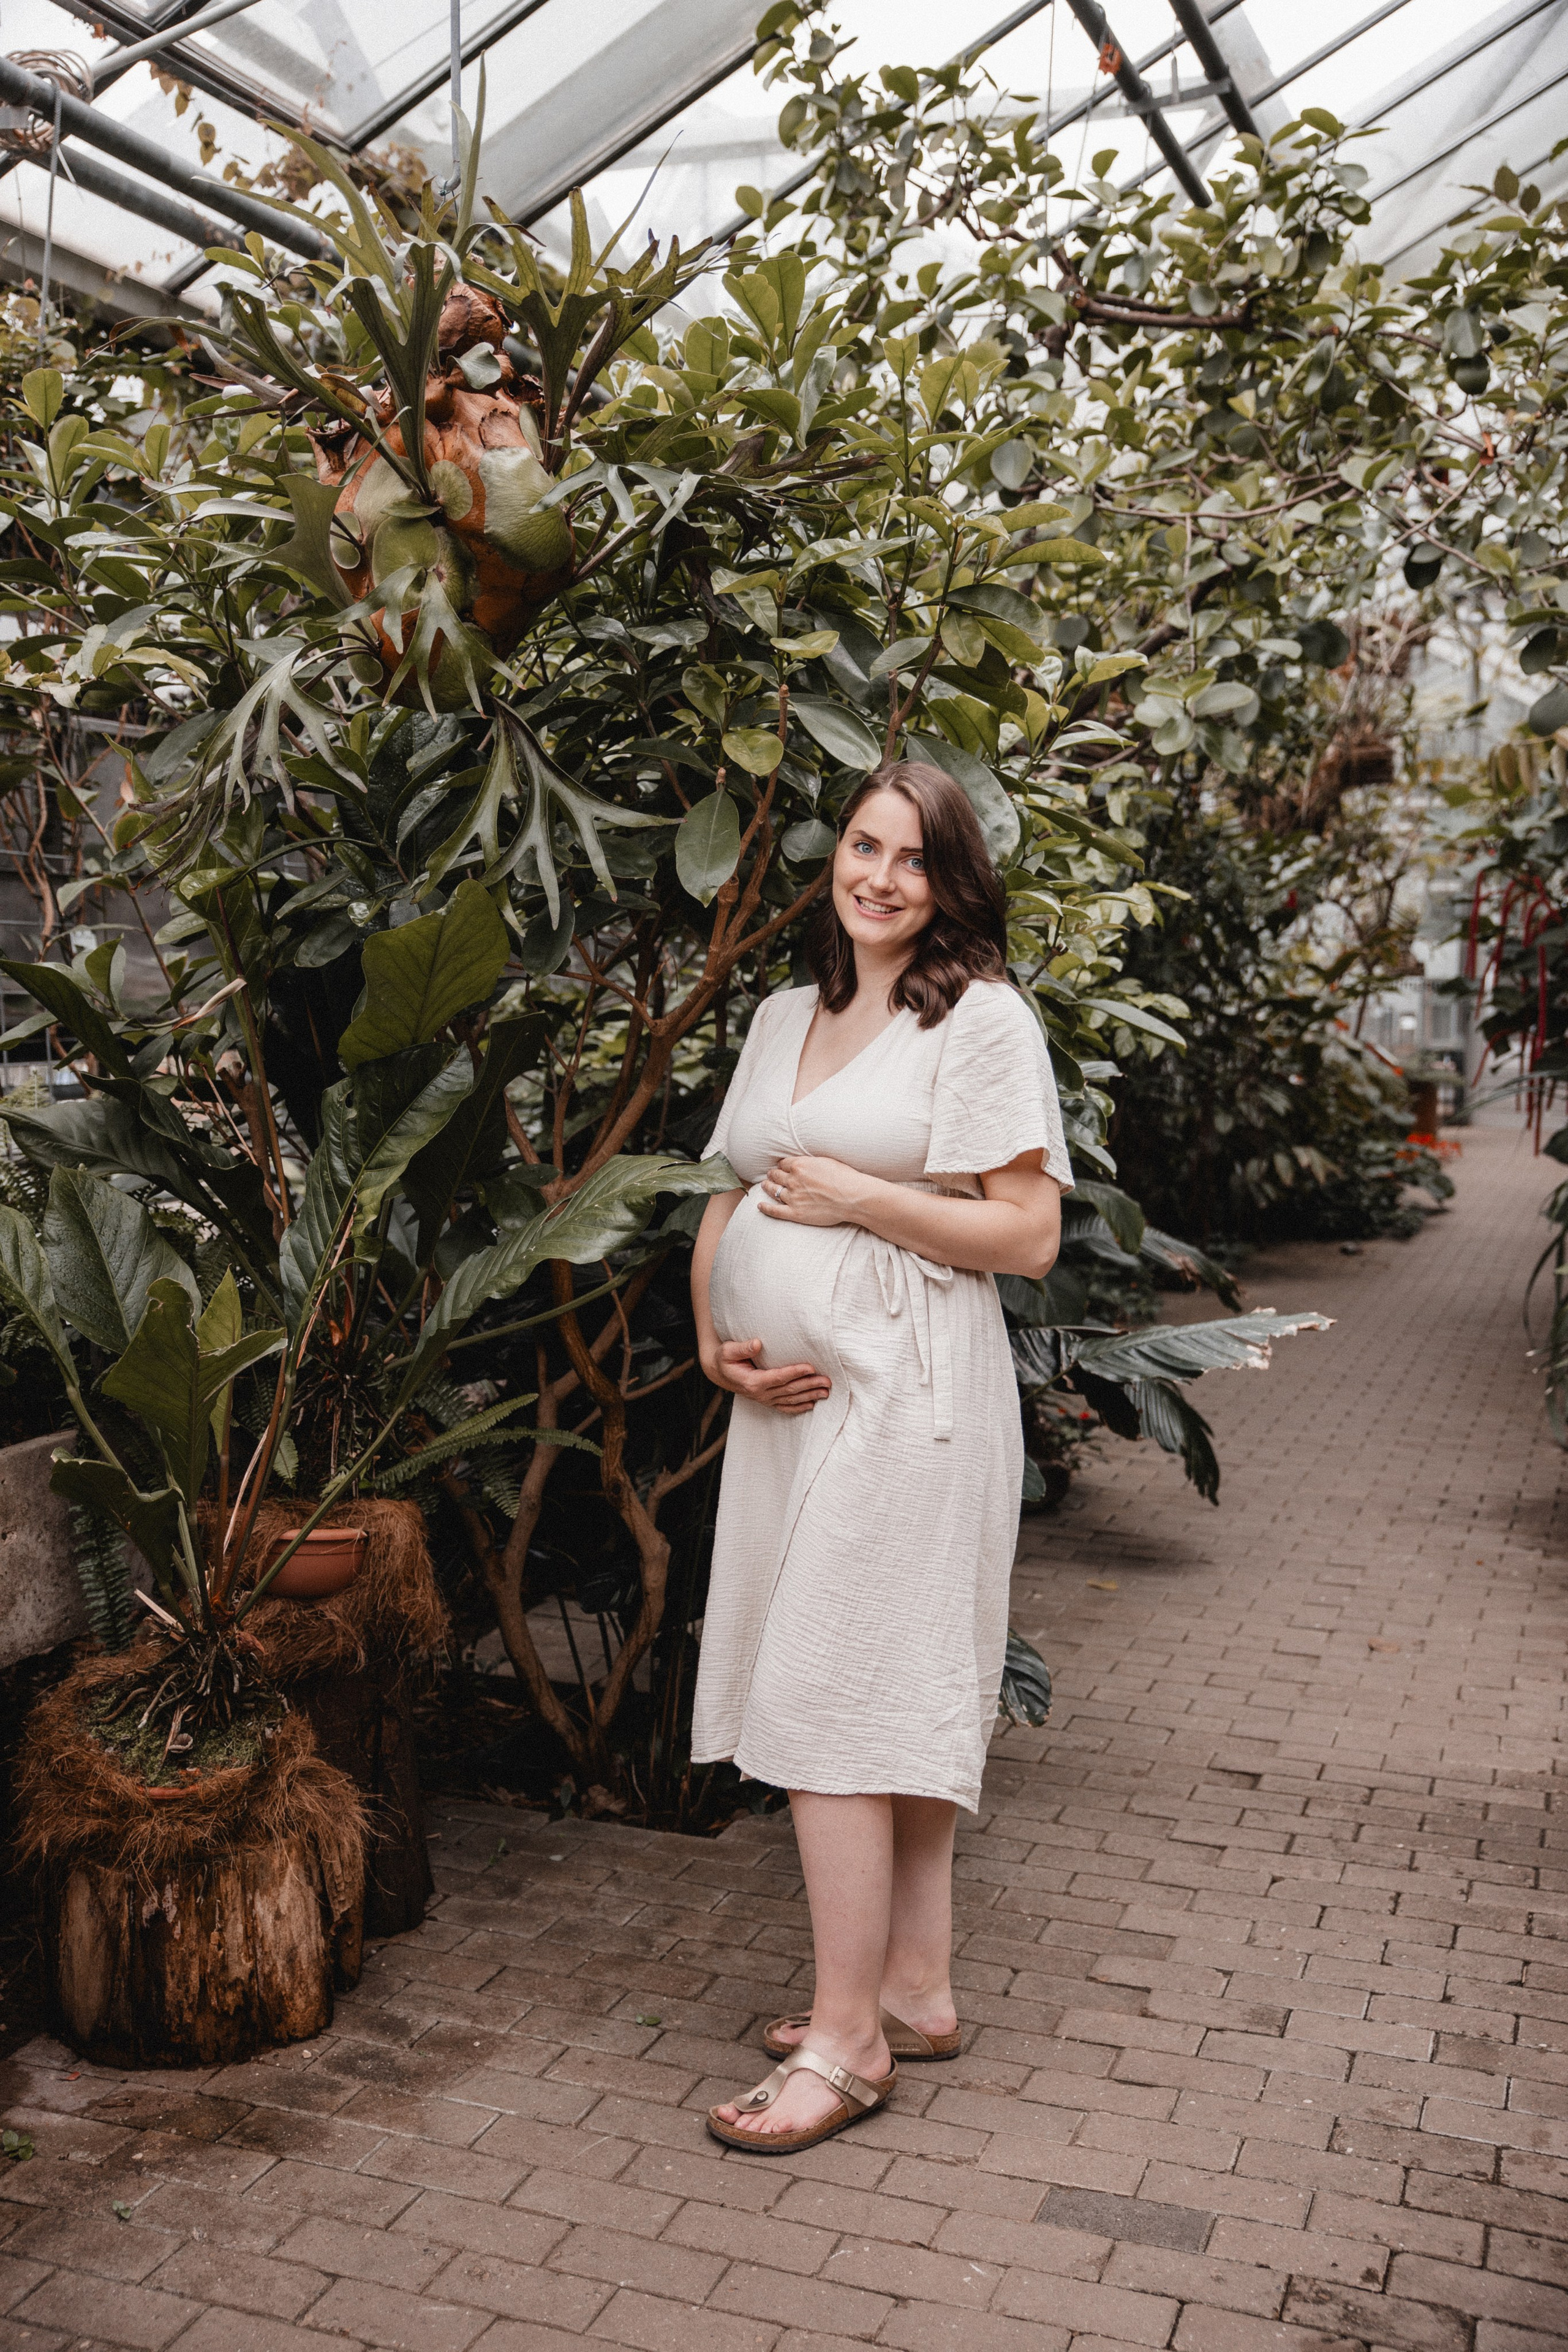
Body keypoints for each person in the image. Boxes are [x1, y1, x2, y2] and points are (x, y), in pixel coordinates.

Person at [688, 759, 1071, 2155]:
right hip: (784, 1406)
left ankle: (845, 2044)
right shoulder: (786, 1010)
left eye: (914, 859)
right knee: (876, 1685)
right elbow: (731, 1194)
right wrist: (713, 1339)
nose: (880, 878)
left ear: (948, 882)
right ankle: (911, 1986)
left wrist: (861, 1196)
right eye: (863, 845)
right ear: (834, 855)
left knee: (836, 1694)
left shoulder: (978, 1019)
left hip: (910, 1396)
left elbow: (1024, 1236)